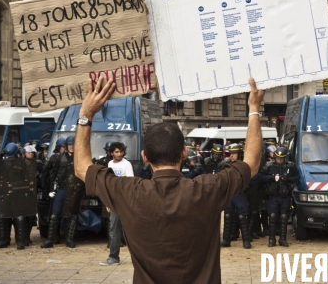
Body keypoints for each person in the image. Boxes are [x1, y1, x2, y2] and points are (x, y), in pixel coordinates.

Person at [74, 76, 265, 283]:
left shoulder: (127, 192)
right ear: (184, 153)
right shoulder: (208, 189)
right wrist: (253, 108)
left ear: (145, 157)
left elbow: (81, 168)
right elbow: (251, 163)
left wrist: (86, 114)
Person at [101, 142, 134, 266]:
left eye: (121, 152)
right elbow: (109, 185)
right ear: (111, 153)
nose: (119, 154)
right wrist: (108, 202)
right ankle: (114, 257)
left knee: (130, 229)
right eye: (116, 152)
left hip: (124, 200)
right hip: (113, 201)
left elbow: (130, 184)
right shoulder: (109, 164)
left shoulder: (127, 164)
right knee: (113, 229)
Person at [261, 146, 300, 247]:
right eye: (278, 158)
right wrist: (271, 177)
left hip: (285, 196)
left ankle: (283, 239)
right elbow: (261, 177)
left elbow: (297, 178)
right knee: (273, 217)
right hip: (273, 196)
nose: (279, 160)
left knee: (284, 217)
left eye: (281, 159)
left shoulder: (290, 166)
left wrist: (287, 178)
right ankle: (272, 239)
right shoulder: (269, 166)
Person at [0, 143, 28, 250]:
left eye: (12, 157)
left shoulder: (22, 164)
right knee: (3, 216)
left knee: (19, 217)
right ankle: (3, 240)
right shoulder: (3, 164)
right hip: (6, 192)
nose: (10, 159)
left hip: (18, 192)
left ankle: (20, 240)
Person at [220, 143, 251, 249]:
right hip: (230, 194)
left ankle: (246, 240)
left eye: (234, 153)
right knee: (228, 215)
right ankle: (226, 240)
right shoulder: (227, 165)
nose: (231, 156)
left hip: (240, 194)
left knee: (242, 217)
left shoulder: (243, 165)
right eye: (230, 153)